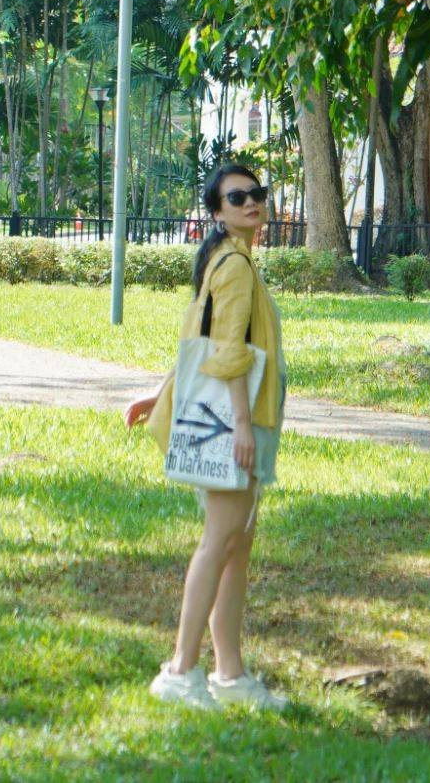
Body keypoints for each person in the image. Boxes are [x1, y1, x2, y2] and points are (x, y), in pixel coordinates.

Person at [125, 160, 288, 712]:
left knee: (235, 547)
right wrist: (242, 426)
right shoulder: (234, 264)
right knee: (219, 543)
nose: (250, 203)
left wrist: (160, 394)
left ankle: (230, 674)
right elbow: (227, 351)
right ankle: (180, 671)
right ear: (218, 212)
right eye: (237, 197)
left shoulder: (224, 259)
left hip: (232, 420)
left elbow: (198, 338)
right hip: (234, 424)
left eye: (256, 194)